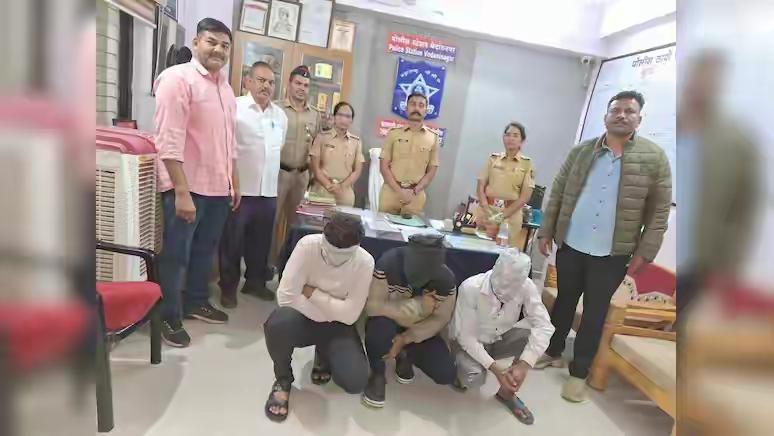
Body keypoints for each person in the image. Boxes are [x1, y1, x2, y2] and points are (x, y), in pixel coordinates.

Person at [535, 90, 672, 402]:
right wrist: (546, 231)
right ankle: (553, 351)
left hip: (612, 253)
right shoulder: (581, 152)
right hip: (572, 243)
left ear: (639, 119)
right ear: (606, 116)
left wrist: (645, 253)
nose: (622, 115)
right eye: (616, 110)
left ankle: (579, 372)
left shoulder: (654, 158)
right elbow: (558, 193)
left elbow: (659, 213)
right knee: (564, 301)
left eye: (629, 111)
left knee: (595, 313)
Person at [153, 18, 238, 347]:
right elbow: (168, 140)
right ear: (196, 42)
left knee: (205, 251)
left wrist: (233, 181)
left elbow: (229, 142)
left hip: (217, 188)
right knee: (176, 255)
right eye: (211, 42)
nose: (218, 50)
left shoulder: (225, 87)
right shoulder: (177, 79)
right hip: (187, 188)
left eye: (225, 45)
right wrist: (181, 191)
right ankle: (168, 316)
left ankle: (196, 301)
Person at [263, 212, 374, 422]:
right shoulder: (307, 246)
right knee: (277, 324)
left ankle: (323, 353)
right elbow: (285, 297)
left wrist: (312, 293)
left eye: (344, 255)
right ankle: (283, 379)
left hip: (338, 325)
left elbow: (351, 315)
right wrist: (332, 309)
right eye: (329, 252)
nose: (334, 260)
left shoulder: (365, 262)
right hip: (306, 318)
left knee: (355, 382)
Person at [450, 249, 554, 425]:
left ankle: (507, 393)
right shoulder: (470, 287)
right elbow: (467, 338)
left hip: (497, 338)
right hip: (469, 342)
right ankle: (458, 372)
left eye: (513, 286)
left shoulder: (526, 286)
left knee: (530, 339)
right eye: (503, 283)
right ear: (494, 270)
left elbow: (544, 326)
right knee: (473, 377)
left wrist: (524, 365)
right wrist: (496, 369)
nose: (506, 291)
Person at [218, 61, 288, 307]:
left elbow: (277, 148)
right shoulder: (235, 108)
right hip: (240, 190)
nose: (266, 86)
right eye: (261, 80)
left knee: (261, 243)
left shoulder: (280, 115)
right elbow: (226, 148)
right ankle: (228, 288)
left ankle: (255, 283)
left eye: (271, 82)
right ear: (248, 81)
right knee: (232, 242)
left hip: (268, 191)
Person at [361, 234, 457, 408]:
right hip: (388, 321)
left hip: (417, 329)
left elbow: (440, 319)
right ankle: (377, 373)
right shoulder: (389, 263)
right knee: (379, 329)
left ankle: (405, 355)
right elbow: (372, 307)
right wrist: (414, 307)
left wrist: (405, 338)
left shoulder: (446, 280)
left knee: (445, 373)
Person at [270, 65, 322, 266]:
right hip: (278, 174)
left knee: (297, 226)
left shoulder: (315, 115)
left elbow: (316, 146)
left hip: (301, 176)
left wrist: (313, 177)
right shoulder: (276, 109)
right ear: (289, 84)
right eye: (298, 83)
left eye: (306, 85)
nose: (302, 88)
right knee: (271, 222)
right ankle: (268, 266)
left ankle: (290, 266)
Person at [378, 92, 440, 216]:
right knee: (383, 227)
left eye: (421, 105)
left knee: (411, 228)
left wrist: (415, 190)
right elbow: (384, 166)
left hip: (415, 196)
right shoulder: (393, 134)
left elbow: (431, 171)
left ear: (426, 111)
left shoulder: (433, 138)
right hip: (391, 192)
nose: (416, 108)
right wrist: (399, 191)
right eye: (413, 104)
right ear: (406, 109)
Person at [475, 121, 536, 247]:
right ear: (503, 138)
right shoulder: (493, 159)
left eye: (515, 135)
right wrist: (485, 208)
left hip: (511, 216)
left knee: (504, 253)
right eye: (508, 135)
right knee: (480, 248)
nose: (511, 138)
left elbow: (524, 197)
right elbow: (480, 185)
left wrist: (502, 216)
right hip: (488, 212)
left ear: (522, 141)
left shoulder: (526, 164)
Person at [309, 102, 364, 206]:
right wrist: (328, 185)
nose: (344, 119)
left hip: (345, 191)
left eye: (348, 116)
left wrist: (341, 186)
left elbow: (357, 171)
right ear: (334, 117)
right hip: (323, 189)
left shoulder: (356, 142)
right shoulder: (322, 137)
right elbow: (315, 168)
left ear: (351, 120)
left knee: (344, 216)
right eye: (340, 115)